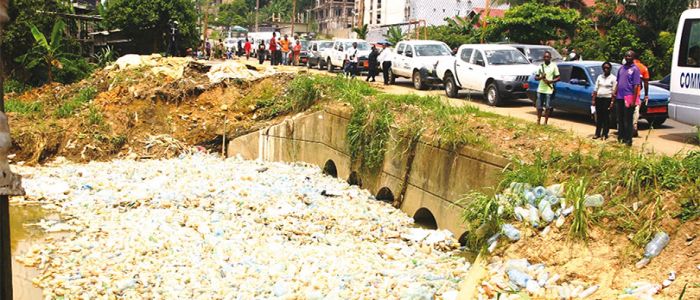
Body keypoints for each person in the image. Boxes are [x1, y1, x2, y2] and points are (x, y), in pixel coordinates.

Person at [615, 50, 642, 146]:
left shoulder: (635, 69)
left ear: (633, 58)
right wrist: (615, 94)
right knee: (620, 119)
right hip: (619, 97)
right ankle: (621, 137)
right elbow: (618, 83)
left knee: (628, 120)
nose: (627, 57)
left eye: (630, 56)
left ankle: (628, 140)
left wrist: (634, 100)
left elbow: (636, 86)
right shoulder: (621, 68)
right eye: (626, 56)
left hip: (629, 98)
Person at [592, 61, 617, 140]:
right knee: (599, 117)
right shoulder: (600, 77)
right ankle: (597, 133)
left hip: (608, 99)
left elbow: (614, 91)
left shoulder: (613, 78)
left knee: (606, 117)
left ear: (610, 69)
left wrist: (612, 102)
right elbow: (595, 89)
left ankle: (605, 134)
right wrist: (593, 100)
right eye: (604, 68)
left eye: (607, 68)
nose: (606, 69)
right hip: (599, 98)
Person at [534, 51, 560, 125]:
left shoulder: (554, 66)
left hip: (548, 89)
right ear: (543, 58)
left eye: (547, 57)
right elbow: (536, 77)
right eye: (545, 57)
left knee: (547, 107)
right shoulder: (540, 66)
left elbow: (558, 78)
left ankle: (545, 122)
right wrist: (541, 77)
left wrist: (550, 81)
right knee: (539, 106)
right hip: (540, 89)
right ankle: (538, 120)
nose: (546, 58)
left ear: (550, 58)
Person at [633, 54, 650, 135]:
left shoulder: (626, 67)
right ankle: (634, 126)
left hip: (625, 94)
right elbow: (646, 82)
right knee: (636, 110)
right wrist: (646, 95)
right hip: (637, 94)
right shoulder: (643, 67)